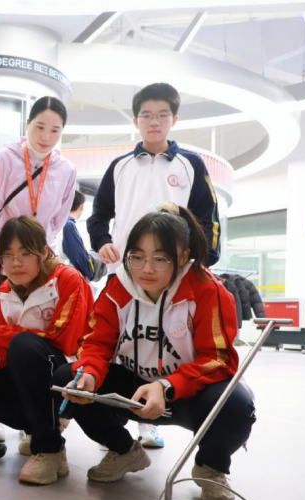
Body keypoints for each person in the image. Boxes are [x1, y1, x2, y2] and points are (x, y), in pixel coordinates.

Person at [61, 204, 254, 500]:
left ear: (182, 257)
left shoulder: (206, 289)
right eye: (137, 257)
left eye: (159, 259)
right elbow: (96, 342)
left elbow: (218, 359)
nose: (146, 269)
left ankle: (210, 467)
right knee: (68, 377)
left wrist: (166, 386)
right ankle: (123, 451)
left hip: (187, 392)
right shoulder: (117, 286)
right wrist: (89, 373)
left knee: (236, 404)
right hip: (132, 390)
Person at [86, 82, 222, 449]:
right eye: (146, 115)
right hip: (127, 276)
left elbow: (208, 218)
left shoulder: (190, 164)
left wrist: (200, 263)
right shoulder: (120, 166)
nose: (154, 121)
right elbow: (98, 216)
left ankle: (149, 423)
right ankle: (117, 425)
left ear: (174, 118)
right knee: (123, 348)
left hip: (173, 276)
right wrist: (103, 243)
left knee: (161, 344)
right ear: (135, 120)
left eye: (162, 115)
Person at [0, 97, 77, 441]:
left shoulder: (66, 170)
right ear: (27, 125)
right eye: (39, 127)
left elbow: (57, 220)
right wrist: (4, 245)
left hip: (38, 264)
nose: (46, 136)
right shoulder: (2, 159)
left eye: (55, 130)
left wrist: (42, 254)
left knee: (31, 334)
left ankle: (33, 411)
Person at [0, 216, 93, 485]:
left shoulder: (67, 279)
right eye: (7, 256)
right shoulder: (5, 290)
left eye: (25, 254)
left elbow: (64, 339)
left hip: (71, 374)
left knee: (23, 345)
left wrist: (1, 337)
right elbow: (5, 347)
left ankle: (48, 448)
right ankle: (40, 429)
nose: (15, 263)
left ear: (44, 252)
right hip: (30, 371)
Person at [62, 190, 97, 281]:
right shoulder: (68, 225)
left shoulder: (59, 224)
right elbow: (80, 261)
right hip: (70, 279)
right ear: (81, 206)